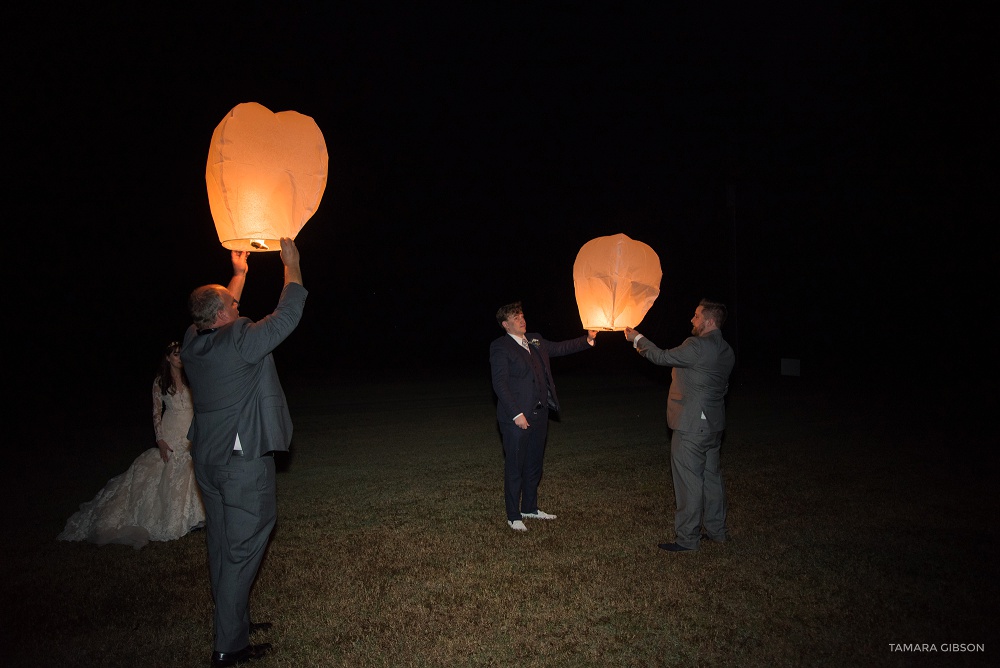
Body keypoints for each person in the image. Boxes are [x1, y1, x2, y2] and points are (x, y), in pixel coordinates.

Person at [181, 239, 306, 668]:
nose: (237, 307)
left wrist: (240, 272)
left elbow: (217, 310)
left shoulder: (193, 342)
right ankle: (228, 647)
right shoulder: (240, 340)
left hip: (208, 462)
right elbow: (287, 315)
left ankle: (233, 621)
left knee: (220, 543)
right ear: (223, 316)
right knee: (244, 546)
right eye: (231, 304)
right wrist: (292, 267)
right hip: (240, 463)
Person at [57, 340, 205, 550]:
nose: (179, 358)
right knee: (170, 472)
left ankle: (199, 517)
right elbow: (156, 412)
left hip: (191, 430)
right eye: (175, 354)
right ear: (167, 357)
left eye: (181, 354)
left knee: (196, 468)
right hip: (171, 431)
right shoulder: (160, 381)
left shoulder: (192, 377)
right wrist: (160, 440)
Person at [625, 299, 735, 552]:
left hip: (691, 426)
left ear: (708, 322)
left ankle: (687, 539)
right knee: (711, 479)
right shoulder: (727, 350)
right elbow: (723, 387)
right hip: (714, 425)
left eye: (696, 316)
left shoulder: (696, 345)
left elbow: (662, 356)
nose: (692, 320)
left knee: (689, 482)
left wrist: (637, 338)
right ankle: (718, 531)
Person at [490, 301, 597, 532]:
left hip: (540, 414)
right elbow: (499, 383)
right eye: (515, 317)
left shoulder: (535, 339)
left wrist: (587, 339)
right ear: (506, 324)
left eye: (522, 314)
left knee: (534, 465)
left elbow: (559, 348)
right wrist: (516, 413)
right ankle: (513, 515)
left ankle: (530, 508)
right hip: (516, 418)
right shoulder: (500, 347)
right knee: (515, 466)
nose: (521, 319)